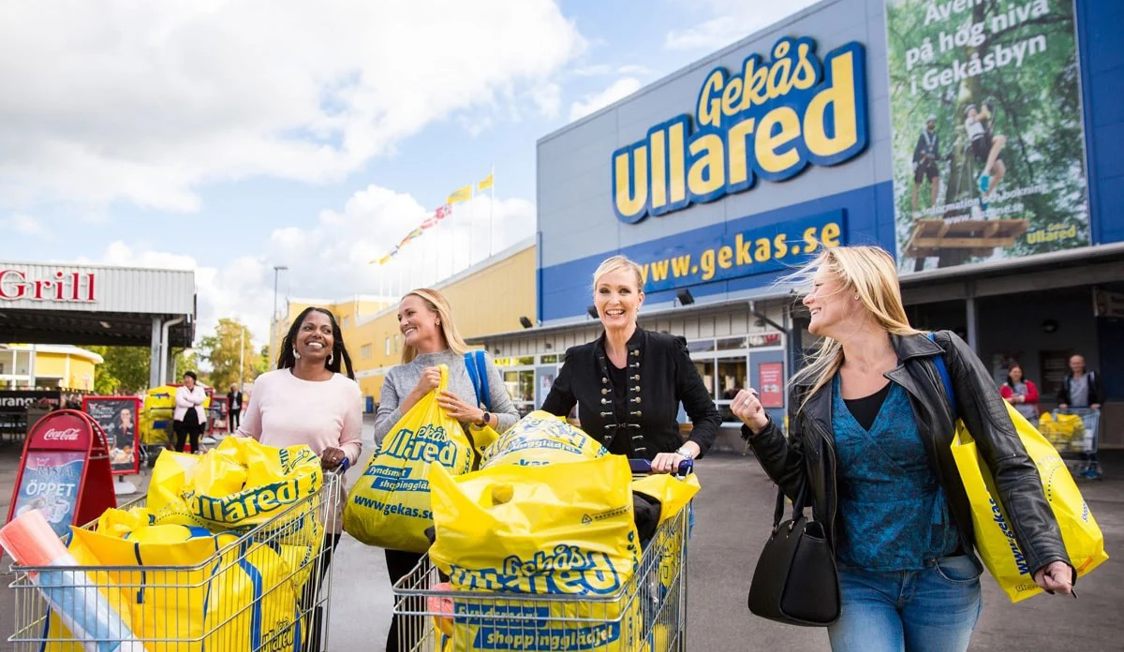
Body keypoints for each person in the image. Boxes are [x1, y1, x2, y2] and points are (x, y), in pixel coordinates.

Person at [731, 245, 1074, 652]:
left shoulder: (940, 356)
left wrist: (1045, 550)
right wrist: (761, 428)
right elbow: (802, 483)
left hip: (943, 576)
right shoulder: (812, 388)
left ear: (857, 290)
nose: (807, 299)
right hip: (855, 578)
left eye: (817, 287)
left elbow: (1009, 458)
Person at [373, 287, 519, 652]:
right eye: (400, 317)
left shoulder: (476, 364)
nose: (404, 322)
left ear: (436, 315)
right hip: (406, 502)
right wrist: (416, 395)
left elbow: (514, 421)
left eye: (410, 313)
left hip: (464, 501)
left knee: (462, 603)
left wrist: (478, 415)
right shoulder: (398, 375)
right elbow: (380, 436)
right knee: (409, 603)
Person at [237, 306, 362, 652]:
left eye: (325, 329)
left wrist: (343, 456)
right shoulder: (268, 383)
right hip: (264, 510)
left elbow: (354, 442)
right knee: (260, 595)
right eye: (308, 327)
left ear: (333, 343)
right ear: (294, 338)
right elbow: (246, 435)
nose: (316, 334)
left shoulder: (346, 389)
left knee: (300, 600)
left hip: (319, 513)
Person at [542, 255, 720, 472]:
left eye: (624, 291)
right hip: (598, 488)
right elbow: (545, 422)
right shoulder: (578, 360)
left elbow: (708, 416)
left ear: (640, 299)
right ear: (595, 298)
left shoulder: (668, 350)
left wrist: (683, 453)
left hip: (662, 484)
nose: (613, 300)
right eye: (604, 291)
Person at [1056, 353, 1103, 479]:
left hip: (1089, 414)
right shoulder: (1067, 379)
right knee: (1077, 442)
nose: (1076, 365)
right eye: (1074, 363)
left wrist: (1097, 403)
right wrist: (1062, 403)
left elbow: (1100, 391)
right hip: (1073, 415)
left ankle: (1093, 466)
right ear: (1070, 365)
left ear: (1083, 364)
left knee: (1089, 441)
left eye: (1078, 363)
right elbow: (1060, 395)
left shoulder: (1091, 377)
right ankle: (1084, 466)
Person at [964, 102, 1006, 208]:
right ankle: (985, 173)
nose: (973, 111)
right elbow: (984, 114)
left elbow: (987, 130)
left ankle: (984, 197)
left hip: (985, 143)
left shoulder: (978, 124)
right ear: (968, 114)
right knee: (1001, 138)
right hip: (978, 144)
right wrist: (984, 106)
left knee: (1001, 171)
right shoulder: (969, 121)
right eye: (971, 110)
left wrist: (989, 128)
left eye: (974, 109)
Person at [911, 115, 943, 213]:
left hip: (931, 161)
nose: (932, 123)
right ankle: (915, 210)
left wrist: (943, 157)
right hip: (922, 160)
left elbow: (936, 152)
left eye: (934, 122)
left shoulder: (936, 137)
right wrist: (915, 162)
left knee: (936, 180)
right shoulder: (923, 135)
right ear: (927, 123)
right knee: (917, 184)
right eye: (931, 122)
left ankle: (934, 207)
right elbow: (917, 149)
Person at [172, 371, 206, 453]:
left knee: (194, 443)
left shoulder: (200, 389)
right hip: (182, 421)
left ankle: (195, 462)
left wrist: (187, 397)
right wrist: (193, 403)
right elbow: (180, 401)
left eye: (188, 378)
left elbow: (201, 400)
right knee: (180, 442)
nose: (186, 380)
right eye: (185, 378)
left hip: (196, 422)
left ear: (193, 380)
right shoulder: (180, 390)